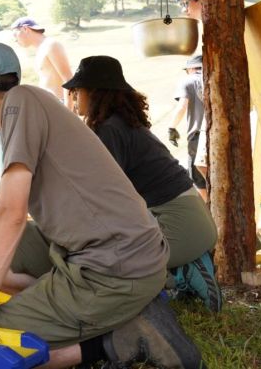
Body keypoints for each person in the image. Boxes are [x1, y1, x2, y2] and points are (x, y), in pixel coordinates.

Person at [0, 42, 202, 369]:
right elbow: (2, 207)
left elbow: (12, 214)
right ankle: (76, 309)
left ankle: (120, 338)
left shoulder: (20, 105)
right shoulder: (28, 105)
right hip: (112, 254)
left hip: (114, 269)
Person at [63, 55, 221, 312]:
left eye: (76, 91)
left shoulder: (109, 130)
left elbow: (97, 196)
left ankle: (184, 272)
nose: (73, 97)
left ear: (93, 93)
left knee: (105, 262)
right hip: (189, 220)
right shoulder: (122, 124)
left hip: (181, 226)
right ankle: (179, 272)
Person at [9, 17, 73, 108]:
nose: (15, 40)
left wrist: (68, 111)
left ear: (25, 29)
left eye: (15, 35)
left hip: (60, 104)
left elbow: (69, 79)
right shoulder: (40, 49)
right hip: (50, 105)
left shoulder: (51, 45)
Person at [170, 55, 208, 199]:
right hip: (219, 134)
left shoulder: (187, 81)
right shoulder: (214, 78)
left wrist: (172, 127)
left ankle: (208, 212)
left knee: (198, 180)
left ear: (191, 68)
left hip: (198, 134)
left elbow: (182, 106)